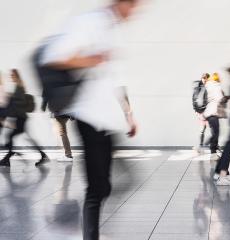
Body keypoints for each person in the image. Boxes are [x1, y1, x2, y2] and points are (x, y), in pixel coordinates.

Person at [40, 0, 140, 239]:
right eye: (134, 5)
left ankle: (85, 228)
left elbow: (116, 81)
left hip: (107, 119)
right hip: (89, 116)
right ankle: (88, 234)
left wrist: (128, 114)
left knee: (110, 184)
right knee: (97, 188)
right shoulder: (89, 22)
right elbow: (55, 56)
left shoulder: (111, 28)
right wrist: (92, 59)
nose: (135, 12)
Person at [0, 69, 49, 167]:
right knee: (17, 137)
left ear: (16, 76)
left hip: (21, 118)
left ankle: (7, 158)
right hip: (20, 118)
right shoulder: (18, 87)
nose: (11, 77)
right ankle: (7, 159)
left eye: (12, 75)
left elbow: (18, 104)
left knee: (11, 137)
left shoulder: (19, 87)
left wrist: (11, 100)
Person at [203, 73, 223, 161]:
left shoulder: (208, 85)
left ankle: (210, 149)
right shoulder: (216, 86)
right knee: (216, 133)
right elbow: (219, 99)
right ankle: (212, 152)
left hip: (209, 112)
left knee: (215, 132)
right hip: (213, 112)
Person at [192, 73, 209, 153]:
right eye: (205, 78)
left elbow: (194, 99)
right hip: (203, 111)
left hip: (204, 111)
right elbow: (194, 99)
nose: (205, 80)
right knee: (204, 129)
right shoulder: (201, 87)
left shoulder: (199, 87)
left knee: (205, 128)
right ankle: (201, 145)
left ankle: (201, 145)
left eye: (206, 79)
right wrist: (195, 110)